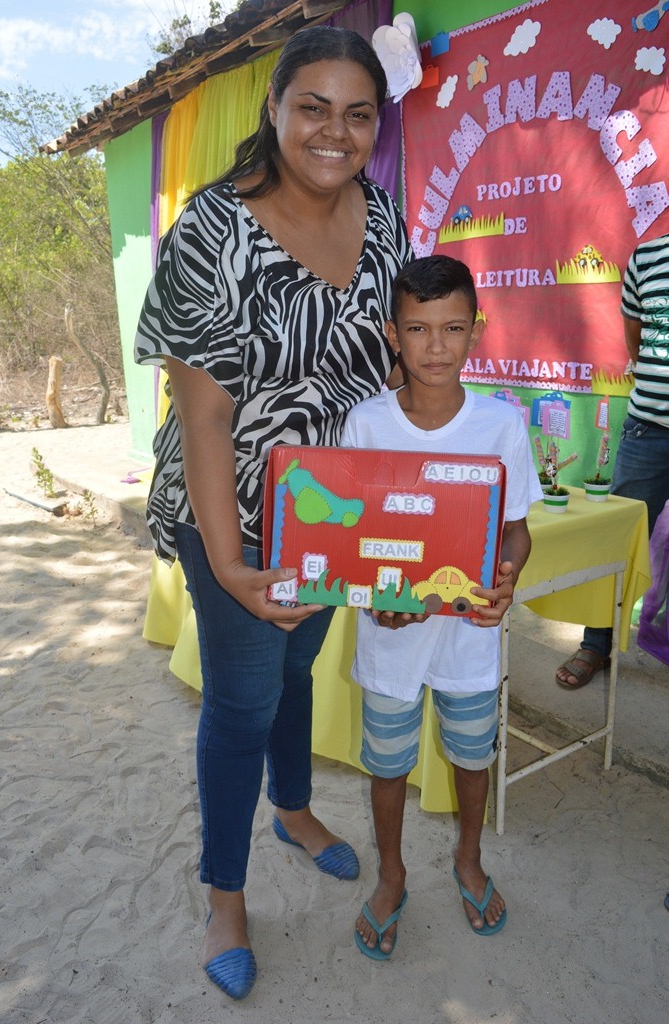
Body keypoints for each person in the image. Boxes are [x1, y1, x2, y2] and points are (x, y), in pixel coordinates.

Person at [134, 26, 412, 1000]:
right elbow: (205, 415)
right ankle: (224, 892)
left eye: (358, 113)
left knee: (298, 661)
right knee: (244, 697)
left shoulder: (383, 222)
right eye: (313, 107)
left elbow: (385, 367)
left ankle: (293, 808)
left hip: (328, 508)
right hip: (231, 511)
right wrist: (232, 561)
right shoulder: (209, 229)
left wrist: (403, 527)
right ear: (275, 108)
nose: (334, 132)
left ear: (378, 125)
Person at [342, 256, 543, 959]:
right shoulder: (364, 425)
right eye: (417, 329)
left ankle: (466, 858)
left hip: (468, 639)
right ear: (391, 334)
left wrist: (508, 575)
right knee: (388, 763)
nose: (434, 347)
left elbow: (515, 526)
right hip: (389, 638)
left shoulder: (499, 426)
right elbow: (348, 537)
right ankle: (390, 874)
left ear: (475, 332)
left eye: (452, 328)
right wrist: (372, 599)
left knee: (469, 755)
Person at [556, 233, 669, 689]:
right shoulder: (648, 256)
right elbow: (636, 336)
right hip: (649, 428)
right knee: (617, 540)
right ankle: (595, 642)